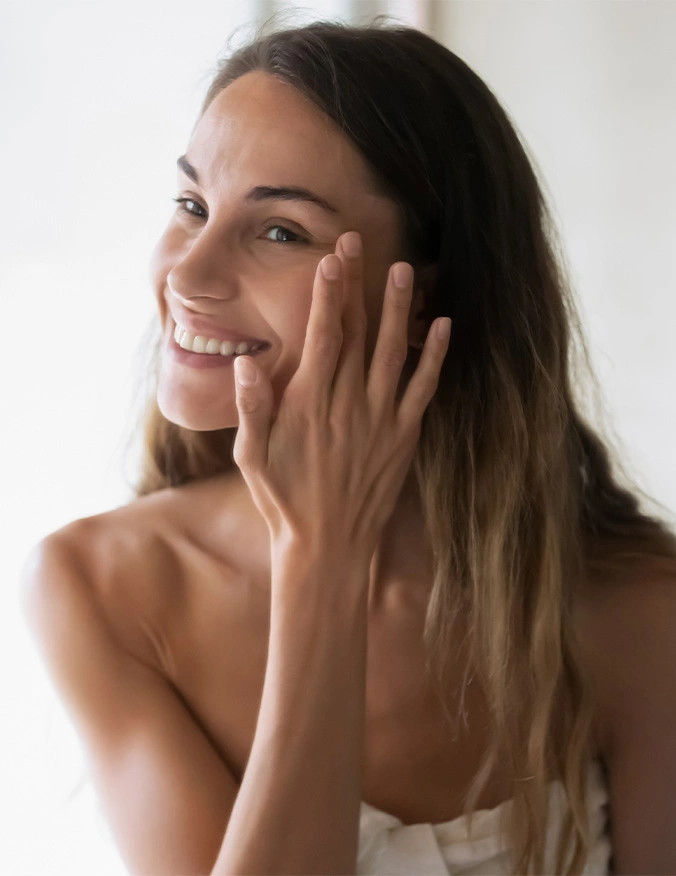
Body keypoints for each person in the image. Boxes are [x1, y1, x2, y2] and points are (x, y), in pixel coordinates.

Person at [22, 17, 676, 876]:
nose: (187, 274)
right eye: (192, 206)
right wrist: (319, 562)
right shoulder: (102, 588)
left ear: (435, 287)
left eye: (280, 231)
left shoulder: (633, 609)